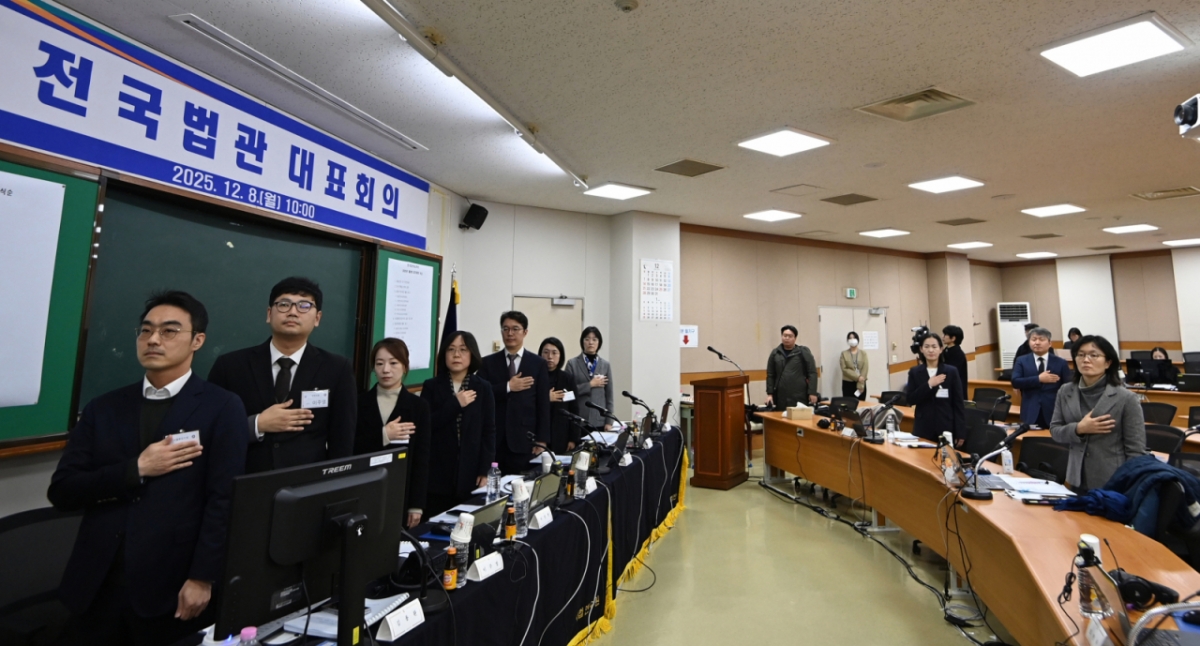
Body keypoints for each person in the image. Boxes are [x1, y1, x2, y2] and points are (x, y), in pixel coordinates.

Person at [49, 291, 247, 646]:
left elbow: (223, 499)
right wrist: (136, 469)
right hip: (97, 581)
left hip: (172, 583)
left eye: (169, 331)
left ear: (197, 340)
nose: (153, 339)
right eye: (146, 330)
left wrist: (203, 577)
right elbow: (63, 490)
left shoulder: (222, 407)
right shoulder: (103, 407)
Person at [208, 276, 357, 473]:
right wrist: (257, 424)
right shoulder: (230, 366)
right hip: (244, 480)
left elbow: (342, 439)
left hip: (307, 483)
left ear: (317, 318)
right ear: (269, 314)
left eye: (304, 305)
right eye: (284, 304)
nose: (293, 312)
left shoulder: (337, 368)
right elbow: (210, 428)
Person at [1050, 335, 1146, 490]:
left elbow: (1136, 450)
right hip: (1076, 478)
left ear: (1108, 362)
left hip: (1112, 480)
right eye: (1081, 355)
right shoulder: (1065, 391)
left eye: (1093, 355)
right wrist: (1079, 429)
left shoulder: (1126, 398)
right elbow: (1055, 431)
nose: (1086, 360)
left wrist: (1128, 484)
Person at [353, 338, 430, 528]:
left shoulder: (419, 406)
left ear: (405, 366)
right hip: (363, 490)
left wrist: (416, 505)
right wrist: (383, 435)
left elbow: (421, 458)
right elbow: (350, 448)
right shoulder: (359, 403)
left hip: (401, 493)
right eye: (379, 363)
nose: (386, 370)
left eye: (393, 363)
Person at [421, 331, 496, 516]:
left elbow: (489, 431)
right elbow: (426, 426)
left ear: (472, 354)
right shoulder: (431, 386)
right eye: (451, 349)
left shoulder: (483, 387)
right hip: (438, 474)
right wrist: (455, 404)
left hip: (471, 473)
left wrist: (485, 470)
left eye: (463, 350)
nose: (456, 355)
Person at [477, 312, 550, 474]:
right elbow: (479, 394)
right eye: (506, 329)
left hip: (525, 439)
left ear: (525, 332)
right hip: (494, 438)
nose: (510, 333)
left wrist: (542, 439)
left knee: (521, 484)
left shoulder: (538, 363)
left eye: (515, 329)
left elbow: (543, 403)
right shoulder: (487, 363)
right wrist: (507, 386)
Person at [903, 332, 966, 446]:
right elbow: (910, 399)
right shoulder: (915, 372)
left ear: (941, 349)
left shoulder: (951, 371)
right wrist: (928, 385)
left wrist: (960, 432)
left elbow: (958, 404)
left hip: (946, 426)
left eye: (934, 346)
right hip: (923, 427)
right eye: (927, 347)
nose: (930, 350)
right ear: (921, 349)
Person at [1010, 327, 1071, 428]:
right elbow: (1015, 381)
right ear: (1029, 342)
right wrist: (1038, 379)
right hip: (1030, 410)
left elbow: (1068, 387)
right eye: (1034, 339)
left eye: (1041, 339)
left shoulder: (1061, 362)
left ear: (1050, 343)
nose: (1037, 343)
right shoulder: (1021, 361)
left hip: (1054, 411)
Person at [565, 326, 614, 432]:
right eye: (587, 339)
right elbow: (567, 394)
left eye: (594, 339)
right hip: (578, 420)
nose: (590, 342)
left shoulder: (605, 365)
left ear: (599, 343)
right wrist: (590, 385)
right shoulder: (572, 364)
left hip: (599, 420)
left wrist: (609, 421)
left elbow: (609, 396)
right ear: (582, 342)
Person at [540, 336, 580, 453]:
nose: (550, 357)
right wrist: (546, 398)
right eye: (546, 352)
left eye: (554, 353)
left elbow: (574, 409)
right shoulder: (535, 378)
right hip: (540, 436)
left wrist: (573, 438)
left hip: (561, 435)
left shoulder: (568, 378)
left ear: (560, 355)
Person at [765, 325, 818, 410]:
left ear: (795, 338)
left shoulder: (803, 352)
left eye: (790, 336)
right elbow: (771, 375)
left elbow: (812, 373)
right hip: (781, 395)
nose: (787, 338)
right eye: (784, 335)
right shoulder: (775, 353)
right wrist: (770, 394)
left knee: (799, 416)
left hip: (800, 394)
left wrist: (812, 392)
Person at [838, 332, 869, 400]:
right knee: (848, 404)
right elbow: (844, 369)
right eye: (850, 338)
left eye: (854, 338)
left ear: (857, 339)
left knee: (861, 404)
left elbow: (865, 368)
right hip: (848, 383)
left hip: (861, 383)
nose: (852, 340)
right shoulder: (844, 354)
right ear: (848, 341)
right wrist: (857, 377)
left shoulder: (863, 353)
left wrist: (860, 382)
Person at [941, 325, 969, 396]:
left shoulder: (958, 353)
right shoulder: (946, 350)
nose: (942, 337)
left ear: (953, 338)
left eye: (945, 335)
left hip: (956, 389)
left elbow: (951, 372)